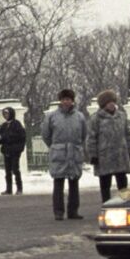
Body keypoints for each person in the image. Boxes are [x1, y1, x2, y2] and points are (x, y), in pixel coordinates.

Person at [41, 89, 88, 220]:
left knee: (74, 183)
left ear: (72, 101)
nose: (66, 101)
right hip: (59, 154)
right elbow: (46, 134)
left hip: (74, 153)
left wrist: (77, 146)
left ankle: (73, 211)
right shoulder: (51, 116)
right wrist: (55, 146)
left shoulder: (79, 117)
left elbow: (84, 134)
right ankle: (58, 211)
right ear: (60, 101)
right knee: (58, 183)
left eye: (68, 99)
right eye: (64, 99)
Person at [87, 89, 130, 202]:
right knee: (105, 183)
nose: (112, 104)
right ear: (104, 105)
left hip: (120, 155)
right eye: (109, 102)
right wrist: (93, 155)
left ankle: (124, 202)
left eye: (113, 102)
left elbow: (128, 134)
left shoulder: (122, 116)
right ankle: (106, 204)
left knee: (122, 182)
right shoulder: (96, 118)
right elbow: (91, 138)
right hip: (104, 156)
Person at [0, 107, 27, 195]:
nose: (6, 116)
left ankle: (19, 188)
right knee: (7, 170)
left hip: (15, 150)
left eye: (7, 114)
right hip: (6, 150)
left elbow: (21, 136)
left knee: (15, 169)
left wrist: (7, 138)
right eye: (4, 114)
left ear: (11, 114)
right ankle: (8, 189)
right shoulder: (4, 125)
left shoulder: (17, 124)